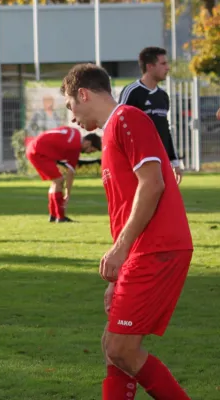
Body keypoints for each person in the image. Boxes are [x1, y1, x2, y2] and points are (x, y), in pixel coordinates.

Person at [61, 63, 193, 400]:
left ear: (83, 94)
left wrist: (120, 251)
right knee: (113, 346)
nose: (71, 116)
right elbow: (127, 205)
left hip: (158, 247)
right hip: (143, 251)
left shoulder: (127, 119)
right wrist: (121, 273)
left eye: (69, 105)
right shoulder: (112, 131)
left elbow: (152, 185)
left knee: (121, 347)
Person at [118, 47, 182, 184]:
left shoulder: (163, 96)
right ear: (150, 66)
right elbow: (117, 125)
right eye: (163, 64)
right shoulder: (132, 92)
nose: (168, 68)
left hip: (161, 162)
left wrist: (174, 161)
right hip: (139, 163)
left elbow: (165, 129)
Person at [25, 126, 101, 223]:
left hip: (34, 147)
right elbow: (70, 173)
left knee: (56, 181)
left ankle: (53, 215)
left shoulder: (75, 132)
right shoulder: (75, 147)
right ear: (87, 143)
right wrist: (67, 194)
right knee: (59, 180)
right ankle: (60, 217)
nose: (89, 153)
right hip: (38, 152)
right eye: (91, 150)